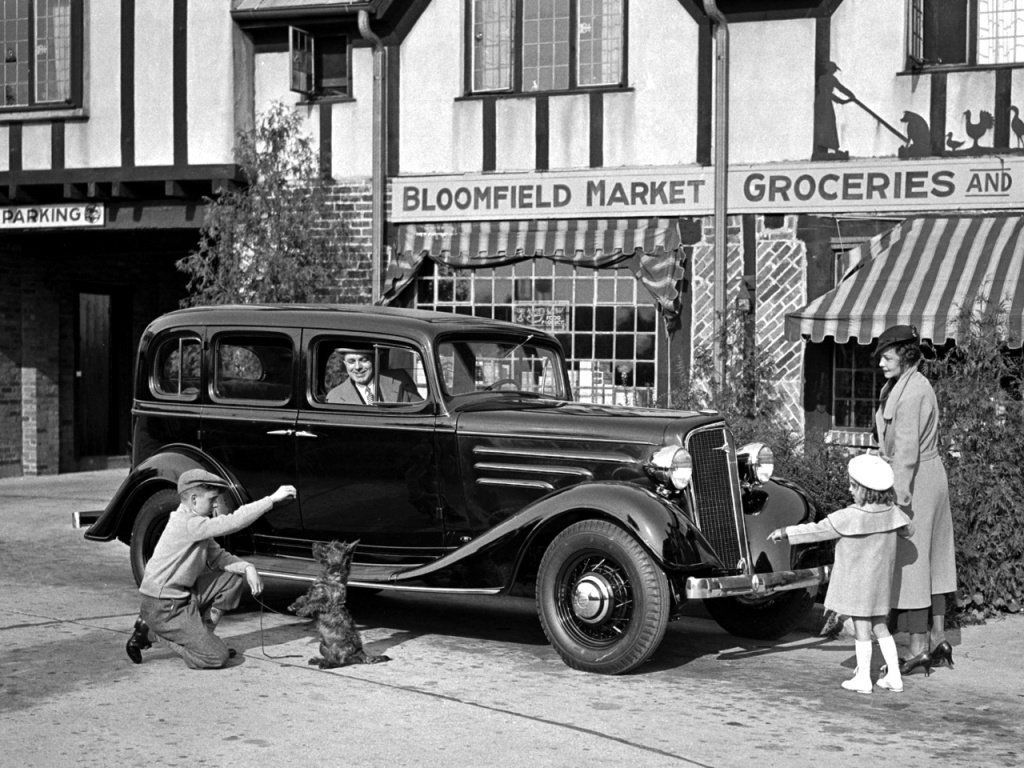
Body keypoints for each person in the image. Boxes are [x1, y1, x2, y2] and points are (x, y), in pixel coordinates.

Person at [768, 454, 912, 694]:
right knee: (880, 627)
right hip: (881, 584)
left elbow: (816, 530)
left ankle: (864, 678)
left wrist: (785, 532)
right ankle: (894, 676)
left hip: (858, 583)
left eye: (854, 486)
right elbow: (909, 530)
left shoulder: (849, 516)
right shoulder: (892, 513)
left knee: (862, 629)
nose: (849, 489)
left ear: (866, 491)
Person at [124, 470, 297, 669]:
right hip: (163, 607)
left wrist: (248, 567)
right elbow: (232, 521)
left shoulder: (195, 525)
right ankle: (155, 633)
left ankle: (204, 640)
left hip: (181, 597)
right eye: (212, 499)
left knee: (232, 580)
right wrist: (272, 500)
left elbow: (218, 557)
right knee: (216, 657)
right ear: (194, 499)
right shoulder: (187, 523)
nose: (215, 504)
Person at [874, 324, 958, 676]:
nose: (880, 362)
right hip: (931, 474)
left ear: (906, 356)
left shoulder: (909, 394)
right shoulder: (908, 385)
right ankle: (940, 639)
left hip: (915, 480)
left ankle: (918, 647)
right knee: (935, 560)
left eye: (887, 356)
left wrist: (898, 498)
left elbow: (906, 451)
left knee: (911, 565)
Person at [325, 347, 420, 405]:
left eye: (363, 360)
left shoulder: (400, 380)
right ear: (345, 364)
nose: (357, 367)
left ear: (374, 360)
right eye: (351, 361)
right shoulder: (335, 397)